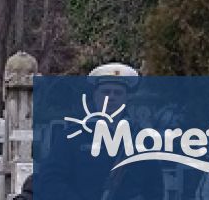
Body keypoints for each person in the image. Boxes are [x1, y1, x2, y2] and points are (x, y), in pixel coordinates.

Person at [38, 62, 163, 200]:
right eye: (106, 92)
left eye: (118, 93)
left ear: (126, 98)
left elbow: (155, 187)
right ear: (95, 95)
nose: (111, 97)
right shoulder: (72, 136)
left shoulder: (141, 140)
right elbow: (51, 181)